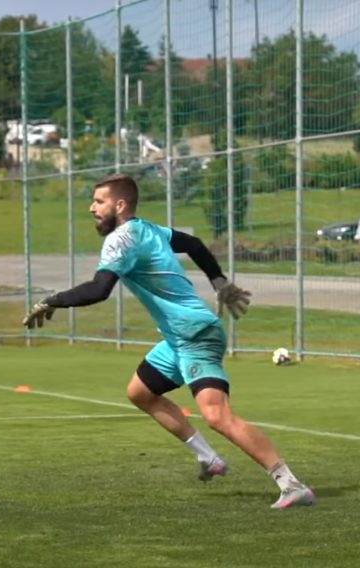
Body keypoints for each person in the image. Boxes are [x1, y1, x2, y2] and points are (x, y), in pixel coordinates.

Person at [22, 174, 315, 509]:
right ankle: (209, 458)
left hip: (194, 334)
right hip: (178, 339)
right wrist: (219, 282)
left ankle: (290, 483)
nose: (92, 208)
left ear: (120, 205)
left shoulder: (120, 240)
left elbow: (99, 289)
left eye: (99, 201)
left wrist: (52, 300)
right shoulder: (149, 229)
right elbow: (194, 244)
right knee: (140, 393)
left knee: (217, 416)